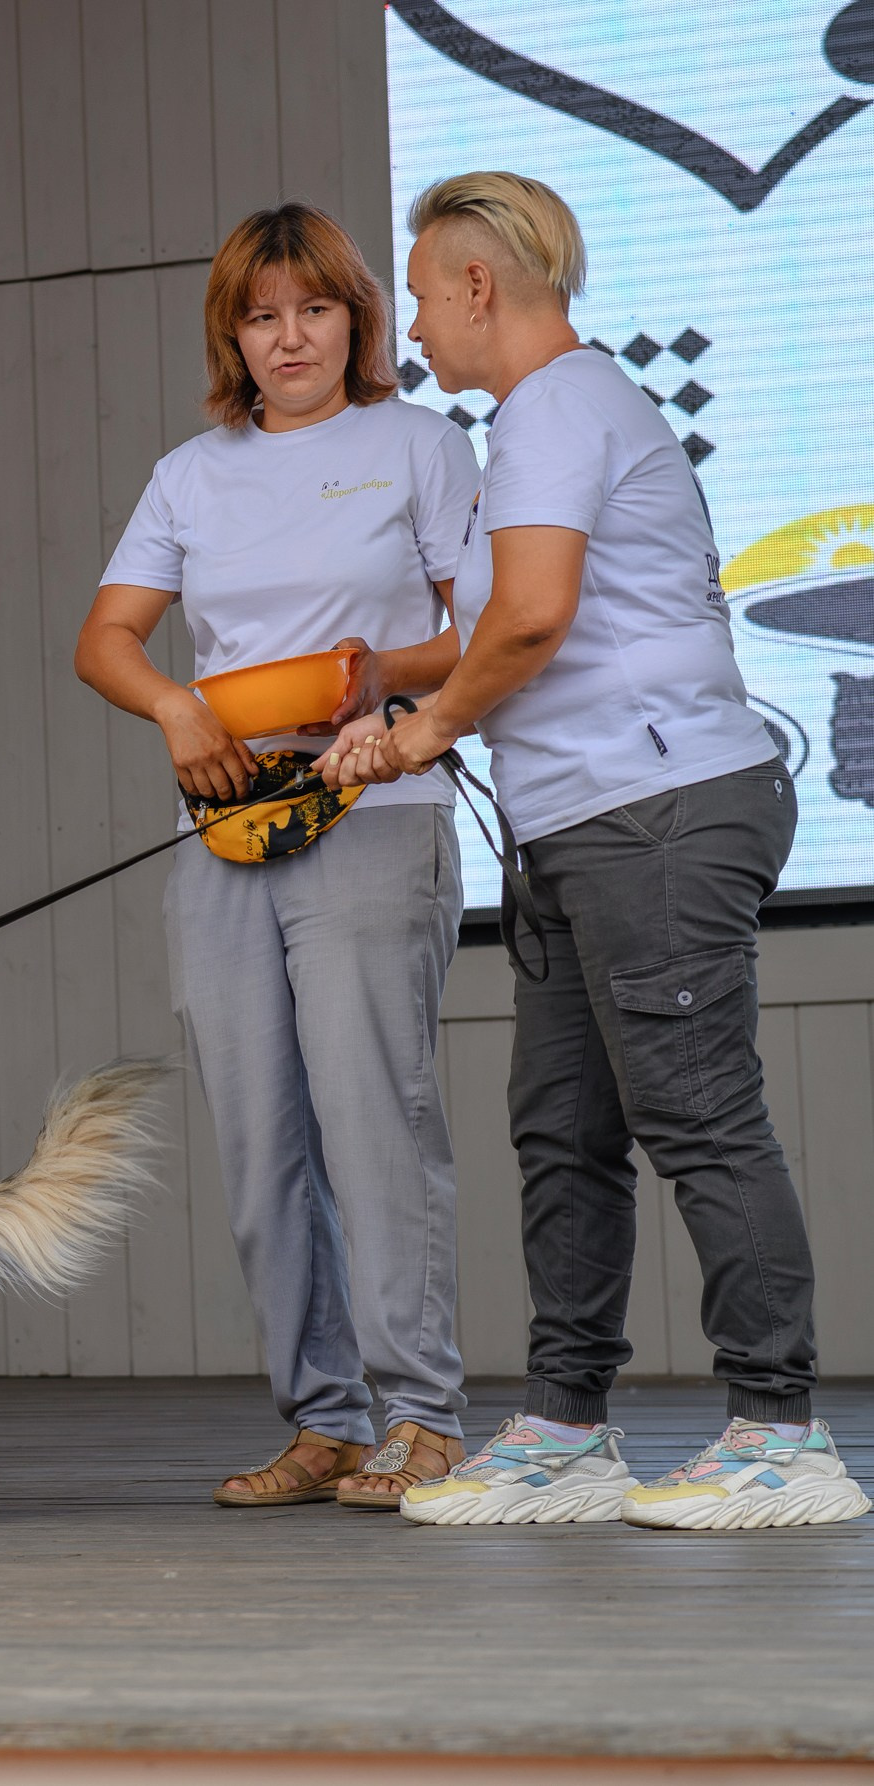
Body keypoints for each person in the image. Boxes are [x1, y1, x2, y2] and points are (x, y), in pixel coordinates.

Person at [333, 172, 868, 1529]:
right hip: (580, 819)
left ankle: (779, 1433)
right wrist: (387, 703)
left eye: (416, 289)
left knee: (697, 1115)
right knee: (564, 1130)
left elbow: (530, 622)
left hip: (660, 812)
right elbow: (498, 631)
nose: (409, 320)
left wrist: (423, 728)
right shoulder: (549, 416)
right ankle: (569, 1427)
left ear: (473, 286)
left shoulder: (558, 405)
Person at [76, 204, 479, 1510]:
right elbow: (110, 639)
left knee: (376, 1121)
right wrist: (178, 708)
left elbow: (488, 631)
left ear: (357, 318)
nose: (289, 335)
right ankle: (326, 1423)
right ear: (232, 336)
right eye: (261, 315)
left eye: (313, 307)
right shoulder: (191, 473)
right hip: (230, 821)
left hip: (373, 810)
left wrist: (389, 707)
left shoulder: (419, 443)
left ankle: (424, 1418)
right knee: (260, 1143)